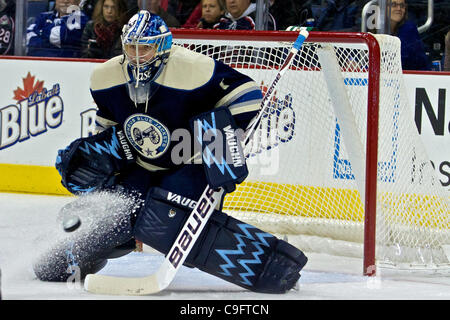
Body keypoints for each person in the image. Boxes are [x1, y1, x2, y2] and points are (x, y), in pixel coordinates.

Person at [33, 10, 307, 294]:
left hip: (191, 164)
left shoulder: (194, 68)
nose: (137, 55)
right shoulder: (105, 76)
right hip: (142, 166)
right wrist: (103, 152)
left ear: (163, 46)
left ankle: (274, 265)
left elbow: (248, 96)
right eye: (131, 47)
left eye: (145, 48)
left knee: (163, 218)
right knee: (112, 217)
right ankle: (66, 256)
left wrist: (220, 143)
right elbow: (109, 123)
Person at [388, 0, 430, 70]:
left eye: (402, 6)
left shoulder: (409, 29)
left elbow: (400, 60)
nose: (399, 8)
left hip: (413, 77)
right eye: (393, 5)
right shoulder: (374, 27)